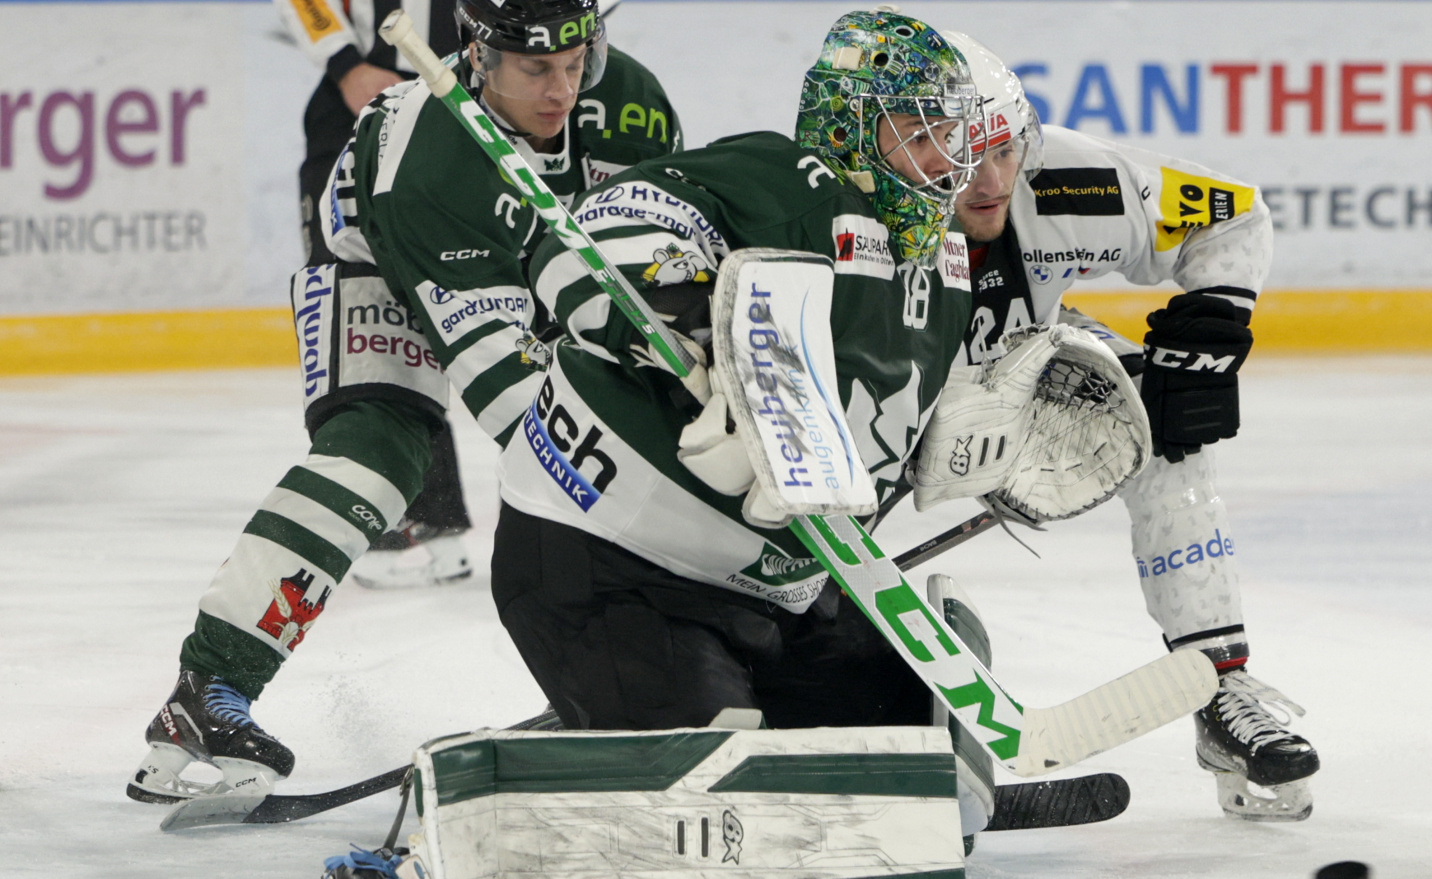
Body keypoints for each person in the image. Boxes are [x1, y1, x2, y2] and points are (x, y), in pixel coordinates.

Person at [128, 0, 681, 804]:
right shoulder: (427, 155)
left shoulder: (632, 102)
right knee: (378, 455)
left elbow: (666, 254)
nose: (561, 89)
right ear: (480, 58)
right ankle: (209, 690)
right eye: (535, 70)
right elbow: (507, 392)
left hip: (530, 260)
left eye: (577, 62)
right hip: (380, 266)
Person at [488, 7, 999, 836]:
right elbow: (580, 239)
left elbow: (894, 440)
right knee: (725, 806)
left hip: (783, 602)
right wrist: (692, 322)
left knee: (918, 744)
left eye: (951, 134)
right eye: (914, 130)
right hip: (609, 568)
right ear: (850, 124)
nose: (943, 162)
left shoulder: (943, 268)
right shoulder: (781, 175)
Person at [932, 30, 1319, 821]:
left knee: (1161, 421)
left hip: (1010, 365)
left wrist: (1209, 327)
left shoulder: (1069, 180)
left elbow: (1234, 216)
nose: (991, 181)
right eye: (962, 156)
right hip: (880, 393)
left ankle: (1220, 683)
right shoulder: (835, 204)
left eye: (1005, 151)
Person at [270, 0, 622, 589]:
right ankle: (407, 513)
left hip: (486, 107)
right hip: (364, 111)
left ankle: (571, 493)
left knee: (501, 304)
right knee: (367, 309)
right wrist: (344, 65)